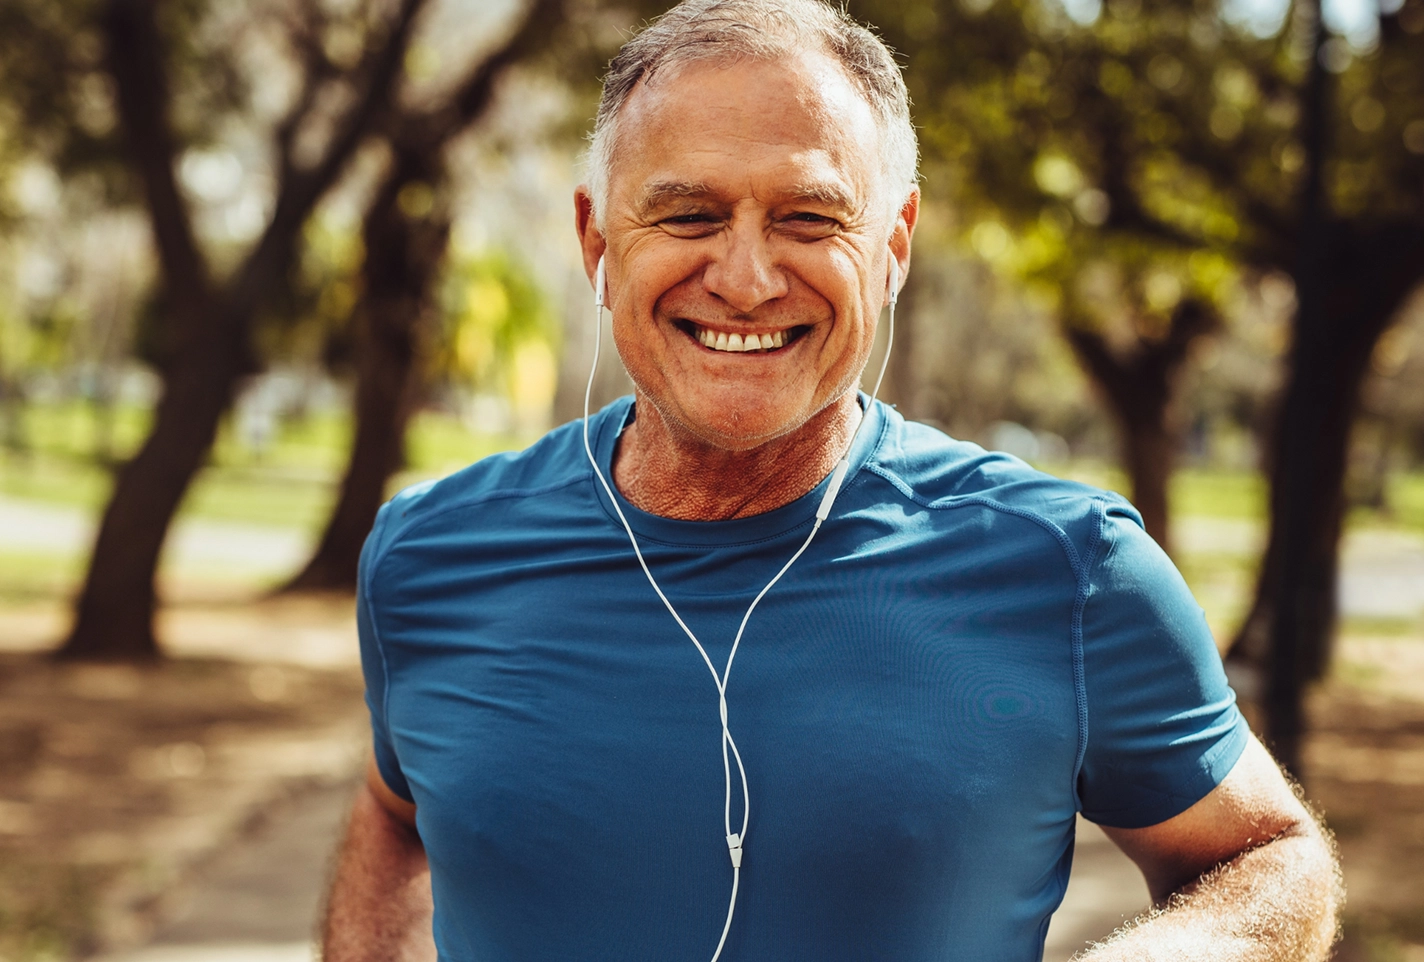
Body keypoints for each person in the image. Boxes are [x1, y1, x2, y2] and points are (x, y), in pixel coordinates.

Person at [321, 1, 1343, 959]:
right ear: (596, 238)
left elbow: (1265, 853)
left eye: (809, 218)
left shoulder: (1071, 568)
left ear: (890, 245)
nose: (746, 276)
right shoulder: (427, 554)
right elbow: (393, 807)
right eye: (687, 215)